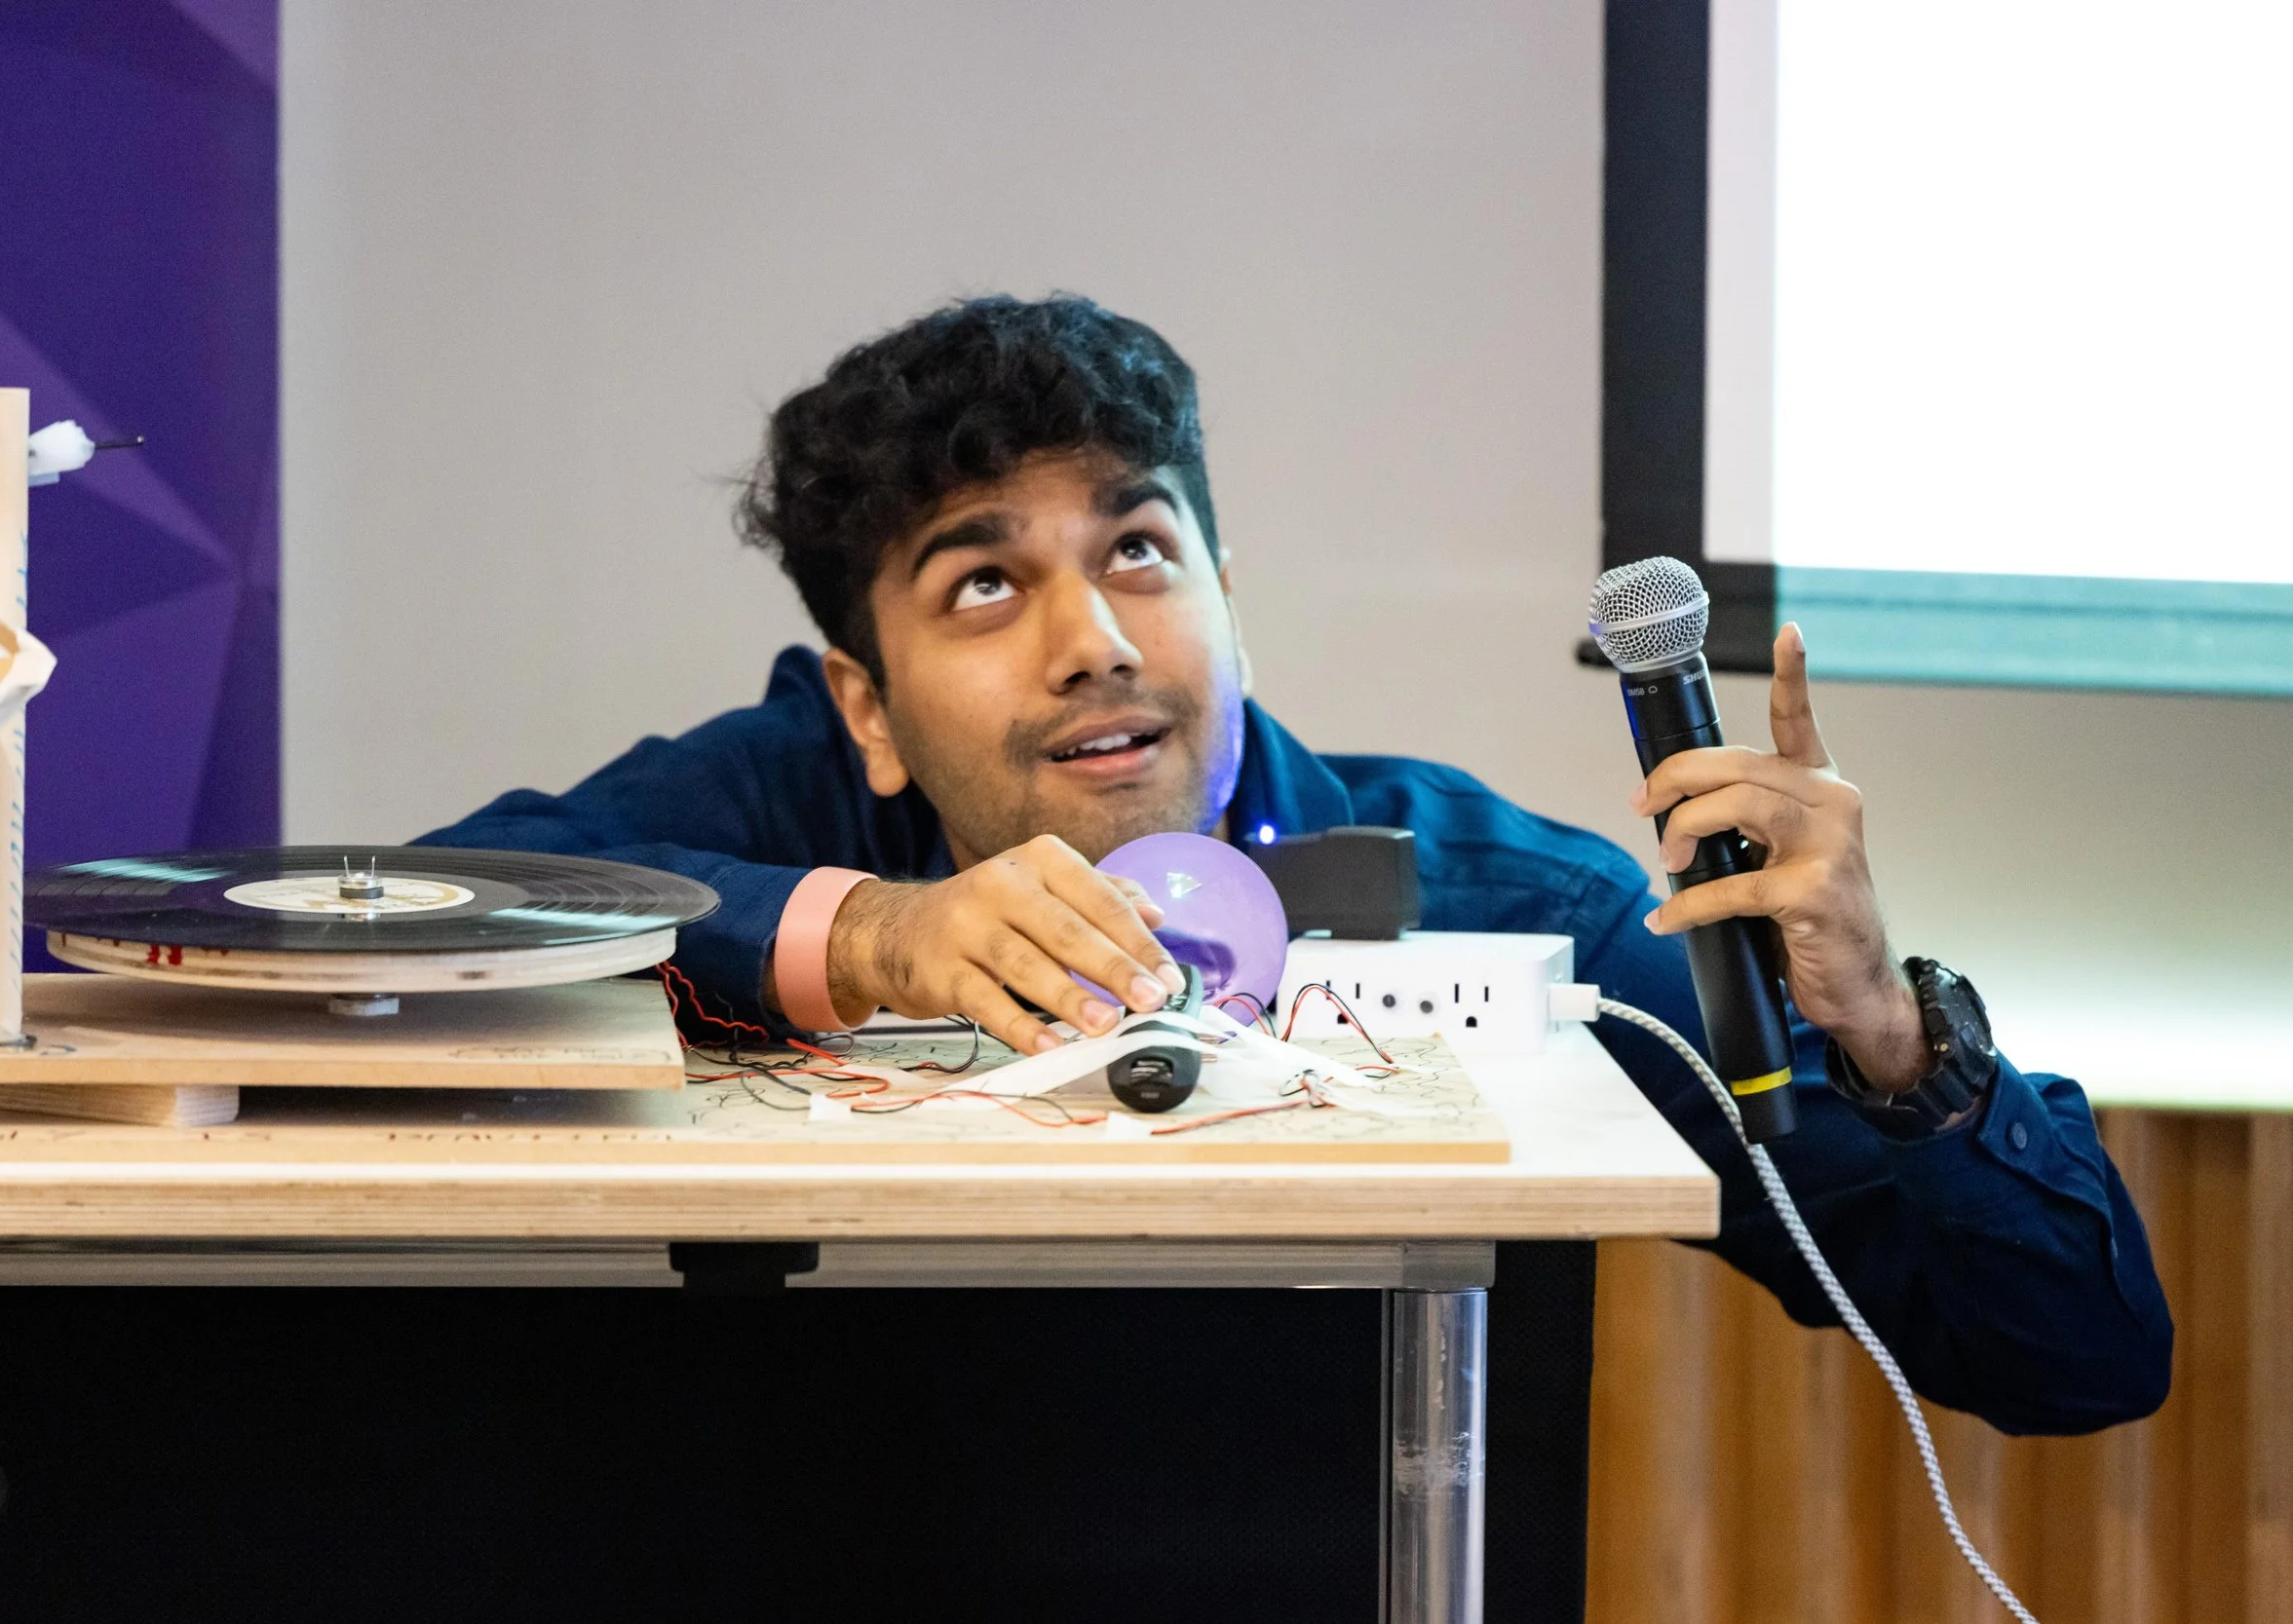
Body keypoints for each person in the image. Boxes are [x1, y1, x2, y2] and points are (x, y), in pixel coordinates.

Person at [421, 294, 2169, 1613]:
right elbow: (443, 904)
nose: (1094, 637)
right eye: (982, 584)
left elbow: (2077, 1355)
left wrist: (1883, 1034)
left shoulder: (1505, 898)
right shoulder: (801, 796)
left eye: (1138, 547)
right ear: (866, 705)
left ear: (1227, 590)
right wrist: (867, 934)